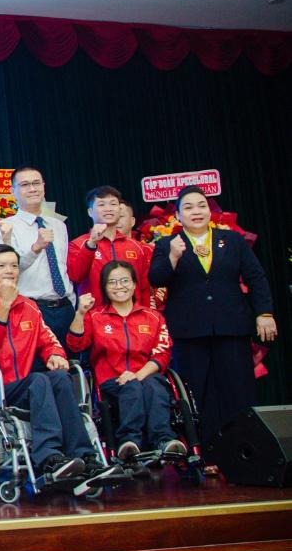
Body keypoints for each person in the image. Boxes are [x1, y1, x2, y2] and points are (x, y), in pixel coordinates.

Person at [148, 186, 277, 452]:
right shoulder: (166, 244)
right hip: (190, 331)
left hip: (231, 327)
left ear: (209, 211)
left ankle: (245, 451)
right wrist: (173, 256)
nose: (196, 212)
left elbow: (256, 277)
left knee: (238, 390)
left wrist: (264, 313)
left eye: (201, 205)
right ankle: (206, 453)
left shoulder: (231, 240)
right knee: (198, 393)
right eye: (188, 207)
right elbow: (156, 279)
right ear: (178, 215)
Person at [0, 244, 94, 480]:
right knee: (39, 380)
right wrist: (3, 306)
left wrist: (55, 354)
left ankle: (84, 455)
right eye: (2, 266)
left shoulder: (29, 306)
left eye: (14, 266)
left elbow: (48, 339)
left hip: (23, 385)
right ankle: (49, 457)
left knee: (60, 378)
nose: (9, 271)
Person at [67, 262, 185, 462]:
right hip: (111, 381)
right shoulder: (96, 316)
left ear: (134, 284)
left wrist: (137, 375)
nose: (119, 286)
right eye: (112, 282)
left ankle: (164, 439)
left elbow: (162, 353)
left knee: (153, 385)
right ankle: (129, 441)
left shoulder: (153, 317)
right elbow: (75, 345)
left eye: (124, 281)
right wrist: (80, 313)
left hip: (147, 376)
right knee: (132, 387)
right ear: (104, 287)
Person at [0, 166, 76, 345]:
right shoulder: (5, 227)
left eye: (36, 183)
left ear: (43, 187)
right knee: (38, 362)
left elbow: (63, 266)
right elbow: (9, 271)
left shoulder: (59, 226)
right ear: (12, 192)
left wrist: (71, 299)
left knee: (69, 360)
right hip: (32, 307)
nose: (32, 189)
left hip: (65, 306)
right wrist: (36, 248)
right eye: (25, 185)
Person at [67, 186, 151, 306]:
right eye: (101, 204)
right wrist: (91, 244)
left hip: (132, 315)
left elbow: (144, 288)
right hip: (95, 315)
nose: (108, 209)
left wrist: (145, 314)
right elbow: (75, 276)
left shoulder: (136, 247)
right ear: (90, 212)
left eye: (113, 204)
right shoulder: (78, 244)